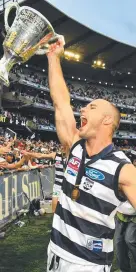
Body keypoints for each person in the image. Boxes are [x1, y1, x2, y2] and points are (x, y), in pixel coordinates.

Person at [45, 37, 136, 272]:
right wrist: (54, 57)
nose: (82, 108)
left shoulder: (123, 169)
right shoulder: (74, 145)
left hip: (88, 266)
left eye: (91, 107)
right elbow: (61, 102)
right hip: (54, 253)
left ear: (107, 120)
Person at [114, 156, 136, 272]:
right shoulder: (121, 172)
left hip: (134, 216)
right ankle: (124, 269)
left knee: (130, 240)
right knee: (118, 243)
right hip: (121, 214)